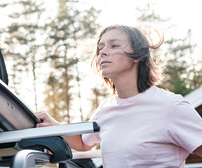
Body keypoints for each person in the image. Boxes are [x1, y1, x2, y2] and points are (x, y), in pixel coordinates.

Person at [36, 24, 202, 167]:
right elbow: (82, 142)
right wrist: (55, 127)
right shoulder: (105, 109)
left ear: (138, 55)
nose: (103, 53)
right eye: (100, 48)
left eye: (114, 46)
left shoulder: (170, 107)